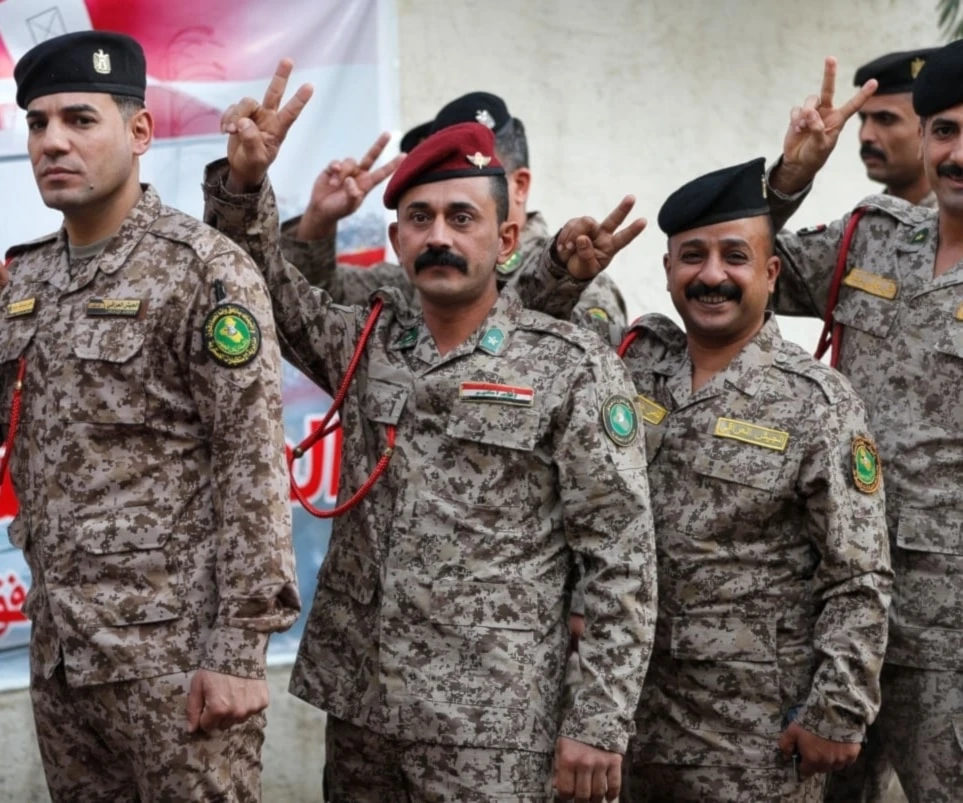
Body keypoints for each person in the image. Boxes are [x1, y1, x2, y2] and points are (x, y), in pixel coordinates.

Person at [202, 61, 657, 802]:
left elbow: (621, 559)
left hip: (495, 722)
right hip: (365, 713)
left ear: (507, 234)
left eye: (460, 217)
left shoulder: (569, 365)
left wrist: (600, 720)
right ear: (396, 236)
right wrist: (244, 185)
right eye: (419, 219)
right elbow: (262, 288)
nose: (438, 236)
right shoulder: (365, 338)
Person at [523, 157, 893, 801]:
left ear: (770, 272)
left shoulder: (817, 402)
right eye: (692, 256)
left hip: (750, 735)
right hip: (626, 715)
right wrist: (561, 277)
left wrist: (838, 708)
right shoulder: (634, 366)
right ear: (667, 271)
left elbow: (858, 573)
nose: (712, 276)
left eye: (734, 256)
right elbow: (511, 345)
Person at [0, 31, 299, 802]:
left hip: (178, 663)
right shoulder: (24, 279)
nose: (53, 142)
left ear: (139, 132)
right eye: (37, 124)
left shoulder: (201, 270)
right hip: (64, 653)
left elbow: (253, 461)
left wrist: (238, 651)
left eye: (79, 119)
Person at [766, 47, 963, 802]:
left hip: (945, 630)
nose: (956, 155)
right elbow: (750, 264)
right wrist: (789, 176)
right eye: (943, 131)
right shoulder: (873, 236)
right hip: (837, 604)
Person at [280, 90, 629, 327]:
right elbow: (307, 307)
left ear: (518, 186)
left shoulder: (579, 279)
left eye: (475, 171)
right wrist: (319, 219)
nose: (439, 236)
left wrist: (558, 282)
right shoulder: (415, 273)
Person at [853, 48, 937, 208]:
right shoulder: (864, 222)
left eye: (885, 119)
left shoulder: (953, 223)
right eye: (863, 119)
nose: (865, 135)